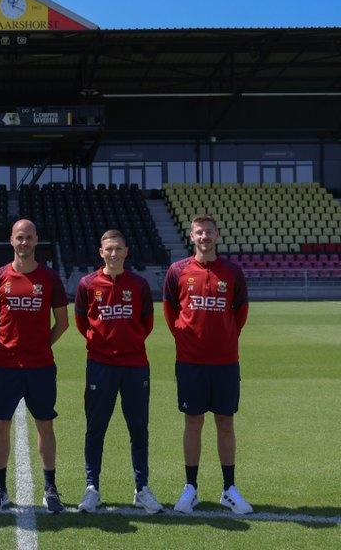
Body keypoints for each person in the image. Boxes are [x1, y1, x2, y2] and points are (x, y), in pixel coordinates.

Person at [163, 213, 253, 515]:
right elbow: (170, 311)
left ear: (217, 235)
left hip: (225, 361)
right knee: (193, 422)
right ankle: (190, 488)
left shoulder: (232, 272)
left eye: (209, 232)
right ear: (192, 236)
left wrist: (225, 338)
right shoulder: (178, 271)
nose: (204, 237)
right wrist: (185, 337)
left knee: (225, 423)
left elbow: (240, 312)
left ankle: (229, 489)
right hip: (190, 361)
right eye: (199, 232)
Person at [0, 219, 69, 513]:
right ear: (11, 240)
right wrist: (5, 343)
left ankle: (50, 488)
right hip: (6, 366)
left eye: (29, 237)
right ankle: (0, 488)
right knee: (0, 425)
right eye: (19, 237)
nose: (24, 242)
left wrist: (42, 345)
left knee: (45, 424)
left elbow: (62, 322)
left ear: (36, 240)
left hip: (40, 366)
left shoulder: (50, 278)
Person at [74, 229, 163, 514]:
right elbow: (82, 321)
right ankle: (92, 488)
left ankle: (142, 489)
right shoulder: (87, 284)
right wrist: (101, 344)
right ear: (101, 253)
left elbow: (146, 323)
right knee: (95, 428)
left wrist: (129, 343)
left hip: (135, 365)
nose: (113, 253)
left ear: (126, 252)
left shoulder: (139, 285)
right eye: (108, 249)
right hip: (100, 365)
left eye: (118, 249)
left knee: (138, 428)